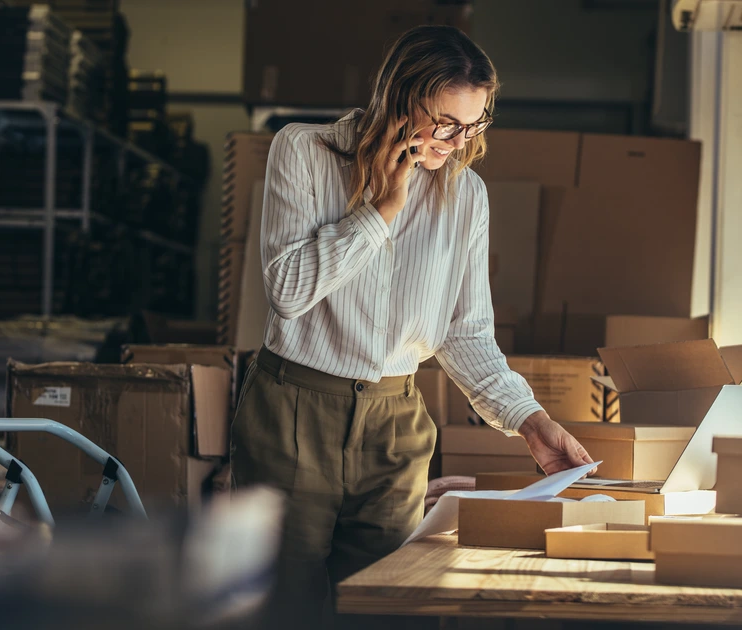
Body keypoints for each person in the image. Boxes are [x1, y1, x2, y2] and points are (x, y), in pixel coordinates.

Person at [230, 25, 595, 629]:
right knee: (282, 607)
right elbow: (288, 292)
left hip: (395, 424)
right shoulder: (303, 150)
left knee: (388, 607)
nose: (458, 141)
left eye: (474, 125)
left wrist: (531, 422)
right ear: (400, 98)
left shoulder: (466, 195)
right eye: (446, 122)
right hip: (292, 413)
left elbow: (466, 332)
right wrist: (380, 213)